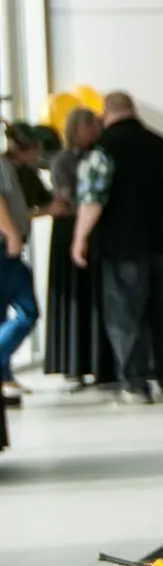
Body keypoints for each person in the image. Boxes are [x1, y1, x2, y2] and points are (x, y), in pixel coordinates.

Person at [72, 92, 163, 404]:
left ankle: (136, 385)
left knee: (125, 316)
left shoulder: (103, 150)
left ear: (105, 114)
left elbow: (94, 198)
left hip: (124, 245)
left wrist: (80, 238)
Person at [45, 108, 116, 390]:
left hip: (94, 230)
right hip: (69, 231)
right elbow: (67, 197)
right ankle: (75, 363)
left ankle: (101, 361)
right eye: (90, 128)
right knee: (75, 296)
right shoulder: (63, 160)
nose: (95, 133)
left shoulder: (101, 156)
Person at [0, 125, 39, 408]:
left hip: (9, 245)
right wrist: (12, 233)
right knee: (27, 311)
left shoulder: (10, 167)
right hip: (3, 246)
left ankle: (3, 378)